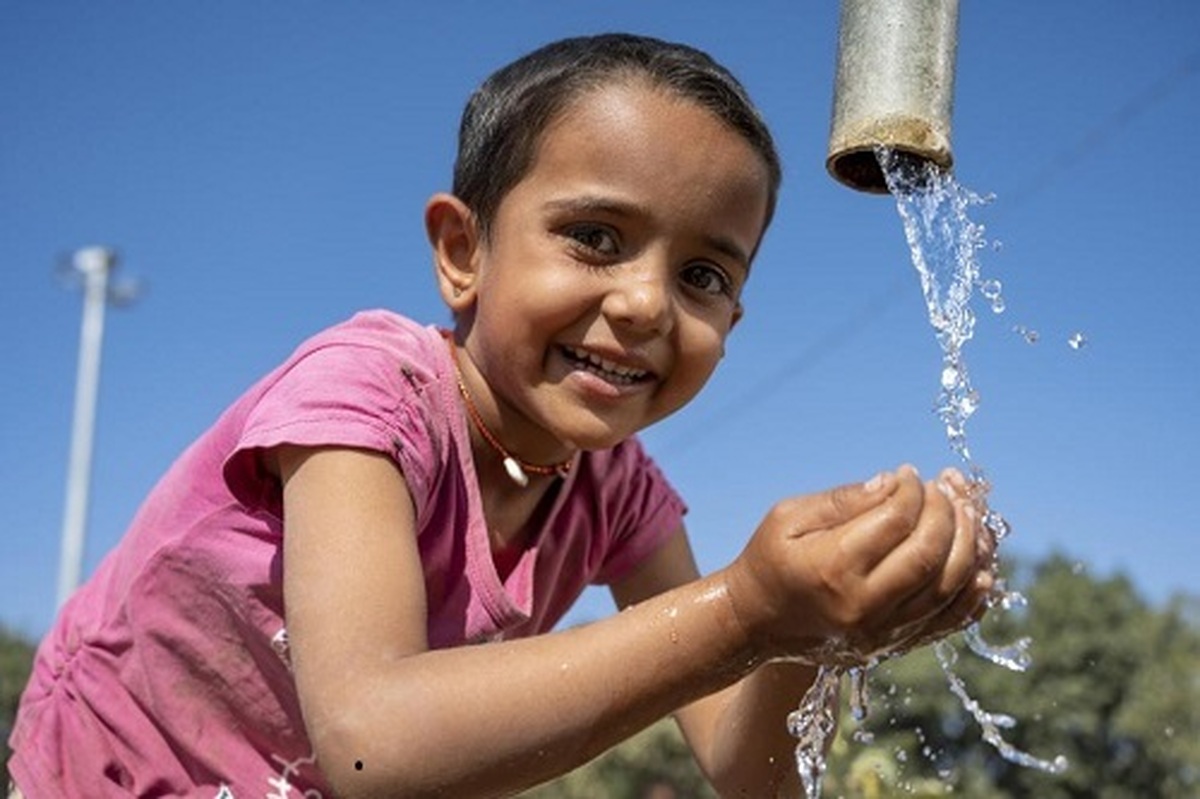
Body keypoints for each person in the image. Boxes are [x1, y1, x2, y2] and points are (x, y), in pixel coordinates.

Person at [8, 33, 995, 798]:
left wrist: (812, 639)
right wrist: (746, 609)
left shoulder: (620, 491)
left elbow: (747, 771)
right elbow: (370, 748)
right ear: (462, 252)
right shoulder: (368, 390)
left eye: (702, 275)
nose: (648, 303)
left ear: (733, 318)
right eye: (596, 236)